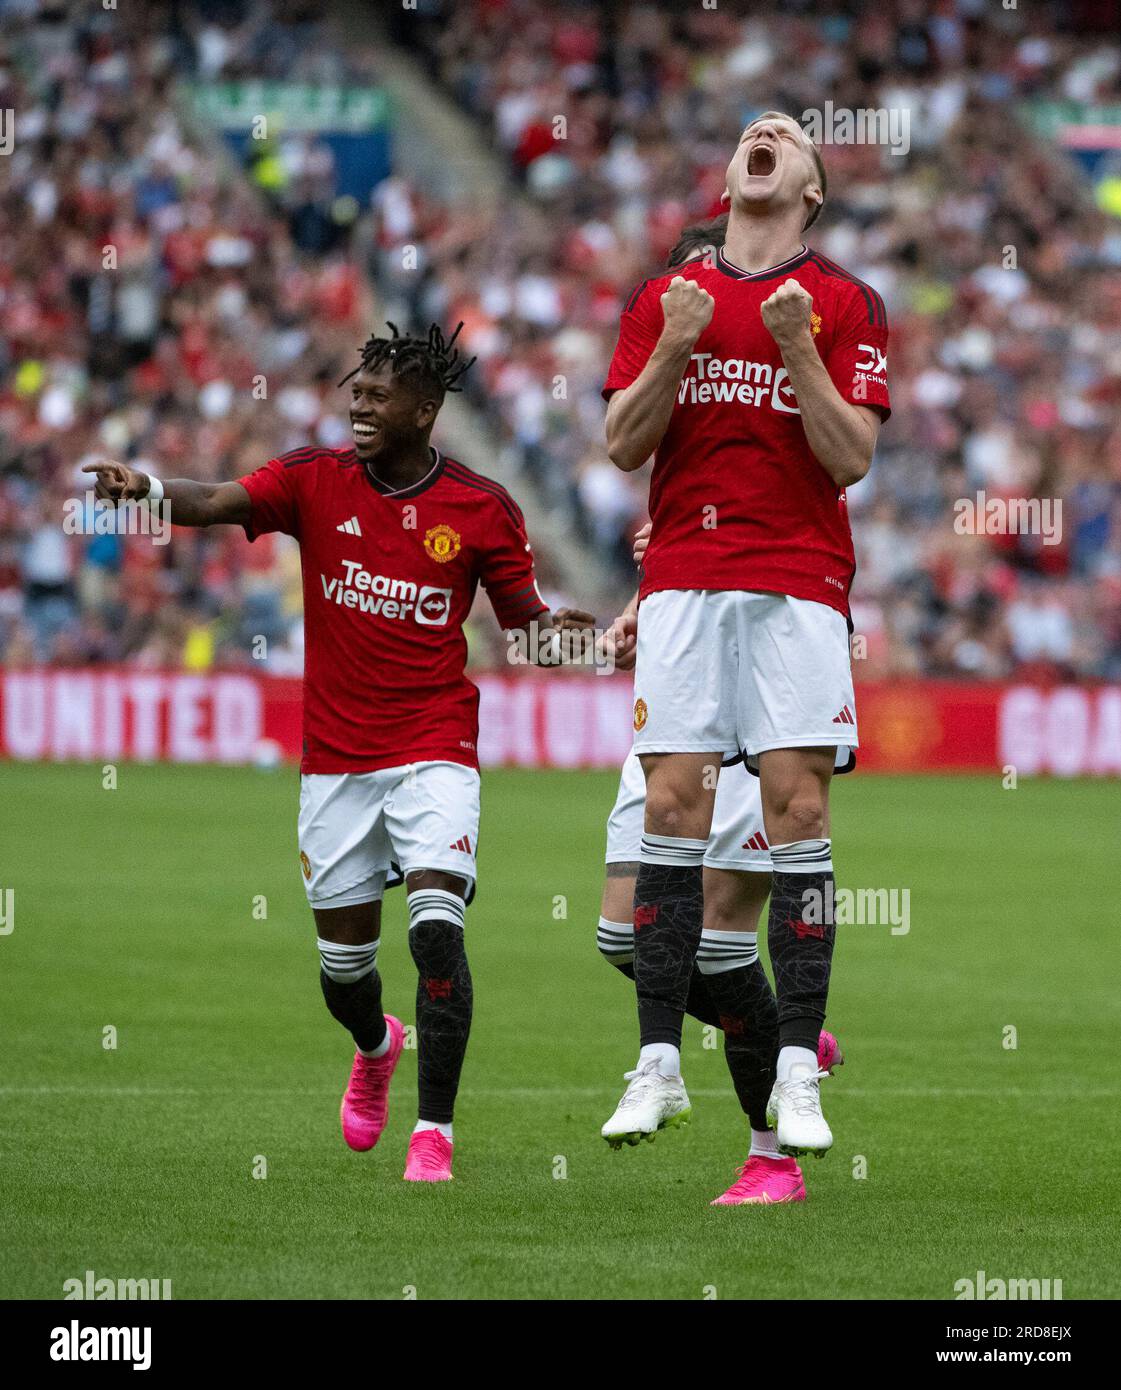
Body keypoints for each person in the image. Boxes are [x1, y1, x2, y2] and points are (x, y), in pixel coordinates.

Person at [85, 322, 595, 1184]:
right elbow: (215, 501)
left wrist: (583, 645)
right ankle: (374, 1044)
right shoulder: (312, 481)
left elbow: (528, 638)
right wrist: (144, 490)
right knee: (345, 972)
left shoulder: (480, 509)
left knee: (437, 934)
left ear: (425, 410)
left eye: (375, 394)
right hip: (336, 765)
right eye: (353, 393)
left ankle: (432, 1134)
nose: (356, 405)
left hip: (436, 746)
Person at [600, 112, 890, 1157]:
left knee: (795, 805)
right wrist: (678, 341)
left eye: (789, 135)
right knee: (669, 808)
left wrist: (795, 347)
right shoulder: (663, 299)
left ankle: (798, 1073)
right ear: (729, 174)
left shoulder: (845, 303)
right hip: (681, 579)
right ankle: (656, 1067)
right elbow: (622, 440)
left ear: (809, 187)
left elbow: (848, 455)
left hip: (797, 582)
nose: (763, 132)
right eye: (749, 132)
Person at [598, 526, 843, 1206]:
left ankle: (770, 1162)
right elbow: (677, 544)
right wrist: (638, 605)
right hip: (678, 700)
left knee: (720, 942)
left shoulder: (788, 439)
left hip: (756, 717)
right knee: (619, 937)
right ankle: (784, 1032)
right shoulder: (674, 433)